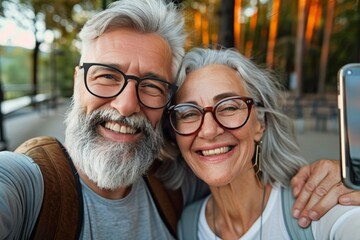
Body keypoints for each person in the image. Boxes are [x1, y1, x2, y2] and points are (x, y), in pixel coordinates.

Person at [0, 0, 358, 239]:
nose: (126, 106)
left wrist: (340, 178)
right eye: (107, 76)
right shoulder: (27, 187)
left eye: (152, 86)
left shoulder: (176, 190)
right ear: (78, 81)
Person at [168, 47, 360, 239]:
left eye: (229, 107)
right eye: (189, 113)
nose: (209, 131)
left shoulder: (314, 205)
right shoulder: (189, 225)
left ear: (261, 123)